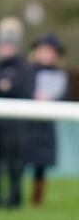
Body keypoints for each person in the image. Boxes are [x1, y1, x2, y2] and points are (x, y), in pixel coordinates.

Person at [0, 17, 33, 209]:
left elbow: (22, 90)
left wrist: (6, 87)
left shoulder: (23, 68)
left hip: (14, 125)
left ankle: (14, 199)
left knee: (14, 164)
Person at [25, 34, 68, 206]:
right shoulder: (27, 72)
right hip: (26, 124)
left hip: (45, 126)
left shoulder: (60, 75)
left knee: (40, 166)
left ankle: (37, 199)